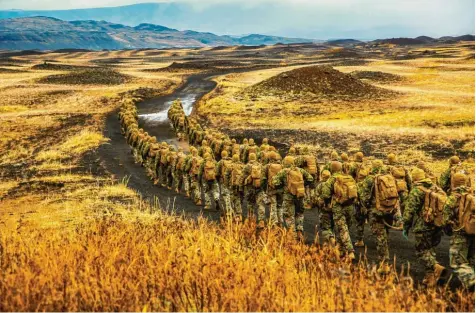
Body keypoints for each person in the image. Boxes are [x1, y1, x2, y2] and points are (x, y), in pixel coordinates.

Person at [403, 168, 446, 286]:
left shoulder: (417, 191)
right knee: (430, 249)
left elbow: (409, 211)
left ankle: (435, 266)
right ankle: (430, 278)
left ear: (415, 178)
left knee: (421, 251)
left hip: (423, 226)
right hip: (437, 225)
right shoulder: (436, 188)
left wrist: (405, 226)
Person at [359, 159, 399, 273]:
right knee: (385, 232)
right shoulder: (389, 177)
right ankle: (385, 249)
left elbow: (364, 197)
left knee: (379, 236)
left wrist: (366, 208)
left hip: (376, 212)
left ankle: (384, 264)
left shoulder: (370, 179)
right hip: (390, 210)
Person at [442, 172, 475, 290]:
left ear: (453, 182)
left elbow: (445, 218)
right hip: (473, 231)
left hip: (460, 233)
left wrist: (448, 228)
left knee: (457, 262)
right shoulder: (472, 194)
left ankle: (471, 282)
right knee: (471, 261)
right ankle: (469, 294)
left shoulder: (453, 197)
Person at [320, 161, 356, 259]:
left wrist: (327, 203)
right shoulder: (349, 177)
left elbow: (325, 194)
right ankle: (340, 251)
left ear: (332, 169)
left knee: (342, 229)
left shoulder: (332, 179)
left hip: (338, 207)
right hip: (350, 206)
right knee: (345, 229)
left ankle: (350, 251)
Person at [272, 156, 314, 241]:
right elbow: (310, 178)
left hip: (288, 197)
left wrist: (283, 186)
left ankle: (293, 236)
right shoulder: (300, 170)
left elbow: (275, 182)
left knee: (289, 216)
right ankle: (299, 231)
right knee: (299, 214)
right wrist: (302, 185)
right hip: (300, 196)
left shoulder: (284, 172)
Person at [239, 153, 266, 225]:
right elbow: (264, 177)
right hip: (259, 187)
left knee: (250, 203)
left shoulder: (247, 166)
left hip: (250, 188)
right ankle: (261, 221)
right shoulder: (260, 166)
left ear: (249, 158)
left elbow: (242, 177)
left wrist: (240, 187)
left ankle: (250, 219)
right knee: (261, 204)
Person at [261, 151, 284, 227]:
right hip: (281, 189)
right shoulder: (282, 166)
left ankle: (274, 223)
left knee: (273, 205)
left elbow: (263, 179)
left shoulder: (267, 166)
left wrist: (264, 190)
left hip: (271, 189)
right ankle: (280, 222)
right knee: (280, 205)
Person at [315, 170, 335, 245]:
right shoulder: (333, 184)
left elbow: (315, 197)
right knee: (331, 225)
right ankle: (327, 242)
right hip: (334, 209)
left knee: (325, 227)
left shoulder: (320, 185)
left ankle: (331, 238)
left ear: (322, 176)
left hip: (324, 209)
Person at [226, 153, 245, 221]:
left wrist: (227, 185)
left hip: (232, 185)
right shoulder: (243, 166)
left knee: (232, 199)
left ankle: (232, 214)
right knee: (238, 199)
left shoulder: (230, 166)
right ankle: (239, 215)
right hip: (240, 185)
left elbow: (226, 176)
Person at [216, 150, 233, 219]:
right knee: (231, 195)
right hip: (232, 181)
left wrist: (218, 179)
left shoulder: (220, 162)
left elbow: (217, 172)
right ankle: (232, 209)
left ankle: (228, 210)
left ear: (221, 154)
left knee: (225, 196)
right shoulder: (232, 161)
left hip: (223, 181)